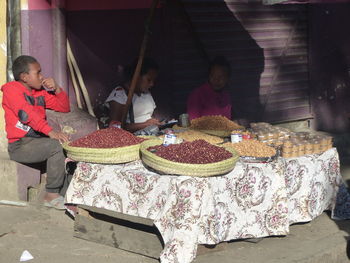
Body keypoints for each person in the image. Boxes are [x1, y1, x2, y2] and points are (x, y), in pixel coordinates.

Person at [1, 55, 70, 210]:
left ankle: (65, 194)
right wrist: (51, 132)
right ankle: (50, 194)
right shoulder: (11, 90)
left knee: (65, 146)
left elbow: (64, 107)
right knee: (56, 146)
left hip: (37, 143)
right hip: (19, 146)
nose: (42, 76)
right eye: (37, 73)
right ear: (24, 77)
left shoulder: (39, 93)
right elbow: (26, 114)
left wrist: (57, 89)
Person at [105, 57, 162, 132]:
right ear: (137, 76)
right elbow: (114, 129)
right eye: (149, 80)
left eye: (153, 80)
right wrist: (145, 124)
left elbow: (151, 117)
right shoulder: (120, 94)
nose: (152, 84)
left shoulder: (147, 93)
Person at [187, 56, 232, 120]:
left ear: (227, 78)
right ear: (208, 76)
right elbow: (193, 123)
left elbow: (227, 121)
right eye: (213, 76)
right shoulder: (197, 95)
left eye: (221, 77)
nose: (216, 80)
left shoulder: (226, 95)